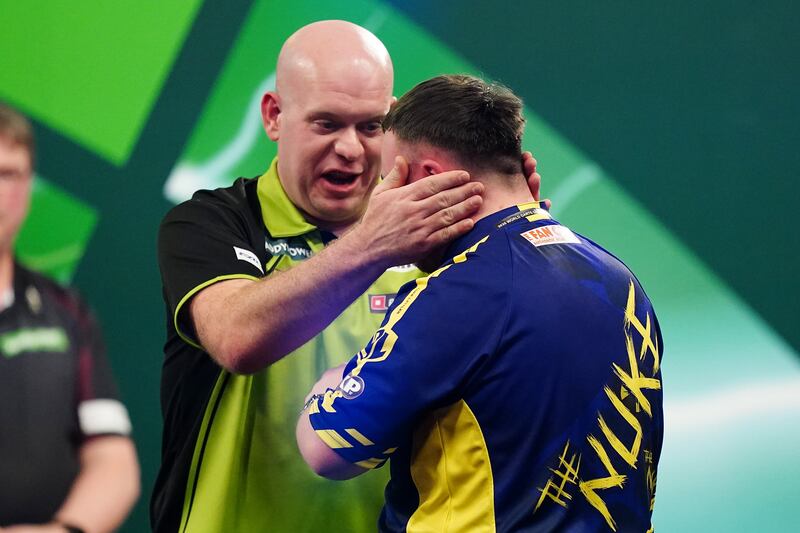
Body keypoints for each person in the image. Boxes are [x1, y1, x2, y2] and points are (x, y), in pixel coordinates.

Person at [153, 20, 544, 533]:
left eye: (371, 126)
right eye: (326, 123)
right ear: (274, 115)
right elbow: (236, 338)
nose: (351, 149)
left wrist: (511, 257)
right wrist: (375, 244)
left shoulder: (440, 239)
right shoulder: (209, 222)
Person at [297, 74, 665, 532]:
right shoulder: (620, 278)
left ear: (429, 179)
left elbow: (327, 449)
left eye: (390, 179)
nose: (382, 199)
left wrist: (333, 379)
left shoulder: (456, 294)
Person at [0, 103, 140, 533]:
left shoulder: (66, 310)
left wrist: (63, 531)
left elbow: (113, 458)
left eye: (8, 174)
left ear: (28, 186)